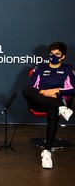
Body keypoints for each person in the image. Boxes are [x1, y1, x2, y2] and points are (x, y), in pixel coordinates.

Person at [22, 41, 75, 169]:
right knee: (25, 90)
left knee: (53, 110)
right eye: (51, 54)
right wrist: (44, 92)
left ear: (63, 56)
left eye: (57, 54)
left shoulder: (68, 69)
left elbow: (73, 89)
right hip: (40, 101)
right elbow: (31, 86)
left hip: (57, 100)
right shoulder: (41, 67)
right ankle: (60, 107)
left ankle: (46, 151)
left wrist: (56, 91)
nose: (54, 56)